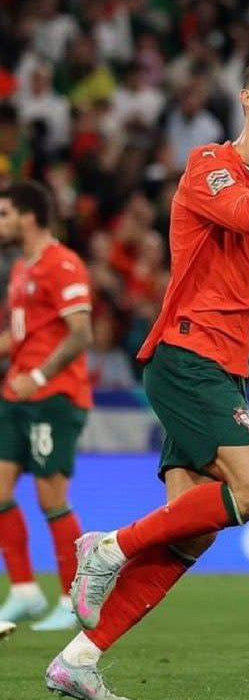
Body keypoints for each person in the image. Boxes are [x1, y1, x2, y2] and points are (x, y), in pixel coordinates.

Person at [46, 52, 249, 700]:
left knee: (190, 533)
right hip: (187, 356)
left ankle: (78, 660)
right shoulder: (208, 167)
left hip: (229, 367)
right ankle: (108, 548)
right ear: (248, 100)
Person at [0, 182, 94, 632]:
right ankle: (24, 590)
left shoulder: (64, 264)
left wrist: (38, 377)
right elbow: (23, 336)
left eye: (4, 214)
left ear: (29, 216)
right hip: (17, 396)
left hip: (54, 395)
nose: (0, 223)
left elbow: (81, 333)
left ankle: (74, 599)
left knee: (51, 497)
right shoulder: (22, 268)